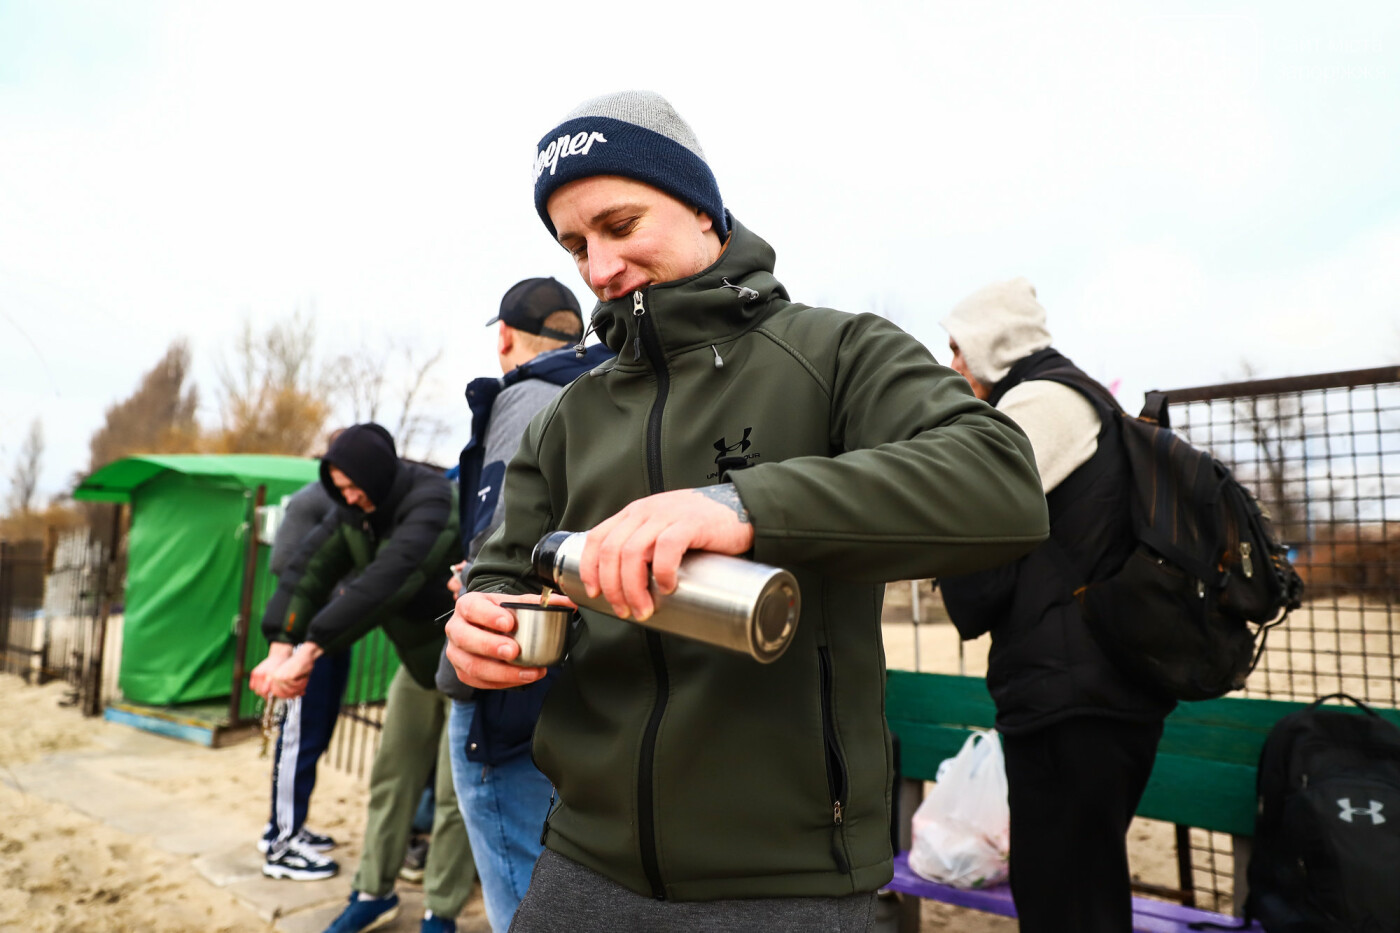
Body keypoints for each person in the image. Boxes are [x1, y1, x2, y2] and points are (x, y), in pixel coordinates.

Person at [442, 91, 1049, 932]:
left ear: (701, 207)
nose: (599, 268)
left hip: (790, 882)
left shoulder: (835, 352)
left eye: (621, 225)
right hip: (579, 865)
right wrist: (471, 638)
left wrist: (743, 504)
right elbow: (507, 573)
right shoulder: (566, 416)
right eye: (576, 244)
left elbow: (1001, 481)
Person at [938, 278, 1175, 933]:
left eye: (959, 347)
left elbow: (974, 526)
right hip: (1103, 689)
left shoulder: (1039, 403)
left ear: (993, 342)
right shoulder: (1086, 398)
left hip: (1067, 698)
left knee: (1060, 896)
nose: (953, 364)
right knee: (1084, 889)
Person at [435, 276, 612, 932]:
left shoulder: (525, 397)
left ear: (504, 336)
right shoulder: (607, 389)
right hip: (600, 686)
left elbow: (496, 547)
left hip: (513, 683)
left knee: (522, 893)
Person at [260, 423, 477, 933]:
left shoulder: (431, 500)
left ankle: (440, 911)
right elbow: (305, 570)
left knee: (452, 796)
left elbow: (387, 580)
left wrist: (311, 647)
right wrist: (279, 643)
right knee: (390, 780)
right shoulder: (352, 514)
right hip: (416, 666)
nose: (349, 496)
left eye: (354, 485)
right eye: (339, 487)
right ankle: (373, 891)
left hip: (464, 662)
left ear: (378, 475)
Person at [249, 478, 352, 880]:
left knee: (314, 737)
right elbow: (282, 564)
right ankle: (282, 846)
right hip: (304, 633)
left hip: (329, 637)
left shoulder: (352, 502)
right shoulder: (310, 500)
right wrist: (339, 591)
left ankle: (285, 825)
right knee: (298, 740)